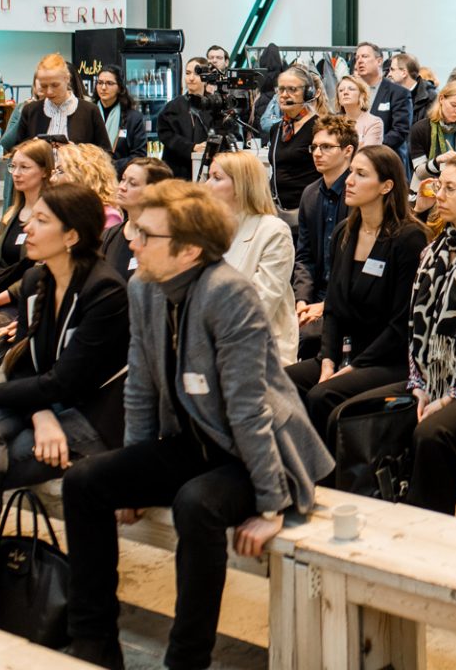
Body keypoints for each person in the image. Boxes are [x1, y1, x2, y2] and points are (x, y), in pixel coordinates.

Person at [60, 180, 333, 670]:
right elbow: (141, 384)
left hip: (256, 454)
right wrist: (132, 473)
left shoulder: (229, 293)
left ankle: (188, 659)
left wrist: (271, 504)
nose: (133, 243)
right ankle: (94, 642)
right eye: (136, 231)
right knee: (84, 481)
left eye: (146, 236)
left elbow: (250, 407)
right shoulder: (144, 288)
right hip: (190, 441)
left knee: (196, 504)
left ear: (188, 251)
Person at [0, 183, 129, 616]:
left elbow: (67, 382)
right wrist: (39, 414)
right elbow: (23, 363)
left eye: (41, 220)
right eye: (30, 217)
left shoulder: (105, 290)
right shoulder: (38, 278)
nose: (26, 225)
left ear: (72, 235)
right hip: (49, 408)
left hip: (90, 417)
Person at [346, 152, 456, 513]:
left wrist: (451, 396)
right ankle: (371, 517)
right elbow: (416, 330)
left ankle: (427, 527)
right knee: (352, 413)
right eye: (437, 186)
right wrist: (419, 385)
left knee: (432, 434)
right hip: (431, 379)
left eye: (449, 188)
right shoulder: (431, 253)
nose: (437, 195)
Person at [285, 145, 428, 446]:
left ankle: (329, 482)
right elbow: (334, 308)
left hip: (389, 357)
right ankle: (293, 470)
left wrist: (352, 367)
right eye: (351, 172)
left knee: (323, 395)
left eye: (361, 174)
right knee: (281, 381)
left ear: (386, 186)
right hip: (347, 351)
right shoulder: (344, 233)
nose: (349, 180)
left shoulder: (408, 238)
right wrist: (327, 361)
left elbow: (402, 323)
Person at [203, 152, 297, 360]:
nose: (207, 185)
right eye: (208, 177)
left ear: (241, 186)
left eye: (217, 178)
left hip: (258, 348)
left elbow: (260, 303)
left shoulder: (273, 231)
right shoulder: (208, 231)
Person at [0, 139, 53, 345]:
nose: (16, 173)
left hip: (21, 301)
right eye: (13, 166)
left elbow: (41, 271)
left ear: (45, 171)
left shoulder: (51, 216)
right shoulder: (11, 213)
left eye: (24, 167)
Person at [292, 115, 356, 353]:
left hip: (349, 297)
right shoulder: (310, 194)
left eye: (326, 147)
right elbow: (305, 256)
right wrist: (302, 300)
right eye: (314, 147)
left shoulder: (358, 194)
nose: (317, 153)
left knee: (310, 340)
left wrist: (327, 305)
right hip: (317, 293)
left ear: (348, 151)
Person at [13, 54, 112, 152]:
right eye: (44, 86)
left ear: (67, 79)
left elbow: (106, 154)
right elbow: (17, 152)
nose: (49, 91)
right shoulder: (30, 111)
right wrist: (32, 148)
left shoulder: (90, 111)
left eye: (55, 85)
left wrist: (77, 152)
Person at [101, 157, 173, 282]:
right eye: (123, 179)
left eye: (132, 183)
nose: (122, 187)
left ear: (153, 192)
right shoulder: (109, 236)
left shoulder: (163, 240)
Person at [268, 64, 324, 224]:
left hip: (309, 211)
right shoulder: (277, 129)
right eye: (281, 89)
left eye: (292, 89)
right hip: (278, 211)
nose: (285, 95)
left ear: (308, 93)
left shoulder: (319, 127)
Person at [353, 41, 413, 166]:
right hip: (356, 161)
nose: (359, 61)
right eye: (357, 57)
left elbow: (400, 131)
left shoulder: (398, 93)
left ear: (379, 61)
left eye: (364, 56)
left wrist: (370, 147)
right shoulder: (353, 92)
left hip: (387, 162)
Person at [154, 58, 212, 183]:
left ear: (206, 78)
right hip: (177, 171)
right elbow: (165, 135)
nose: (191, 78)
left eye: (196, 73)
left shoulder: (214, 105)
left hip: (208, 171)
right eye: (187, 73)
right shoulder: (173, 106)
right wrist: (192, 147)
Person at [410, 81, 456, 184]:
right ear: (441, 99)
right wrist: (437, 161)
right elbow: (420, 173)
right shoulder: (420, 129)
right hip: (428, 188)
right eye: (453, 105)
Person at [51, 142, 122, 229]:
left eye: (60, 171)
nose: (52, 179)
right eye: (55, 171)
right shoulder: (61, 206)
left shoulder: (108, 216)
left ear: (81, 175)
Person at [92, 65, 147, 173]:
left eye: (109, 83)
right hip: (91, 175)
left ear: (120, 87)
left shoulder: (133, 118)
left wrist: (111, 166)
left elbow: (139, 156)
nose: (103, 87)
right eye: (100, 83)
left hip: (121, 176)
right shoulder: (89, 112)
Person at [333, 72, 384, 147]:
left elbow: (367, 154)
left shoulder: (374, 123)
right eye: (341, 90)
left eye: (351, 89)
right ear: (338, 99)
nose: (345, 92)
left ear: (362, 95)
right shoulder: (333, 123)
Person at [390, 51, 437, 117]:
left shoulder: (431, 97)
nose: (389, 74)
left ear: (404, 73)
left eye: (392, 70)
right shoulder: (390, 94)